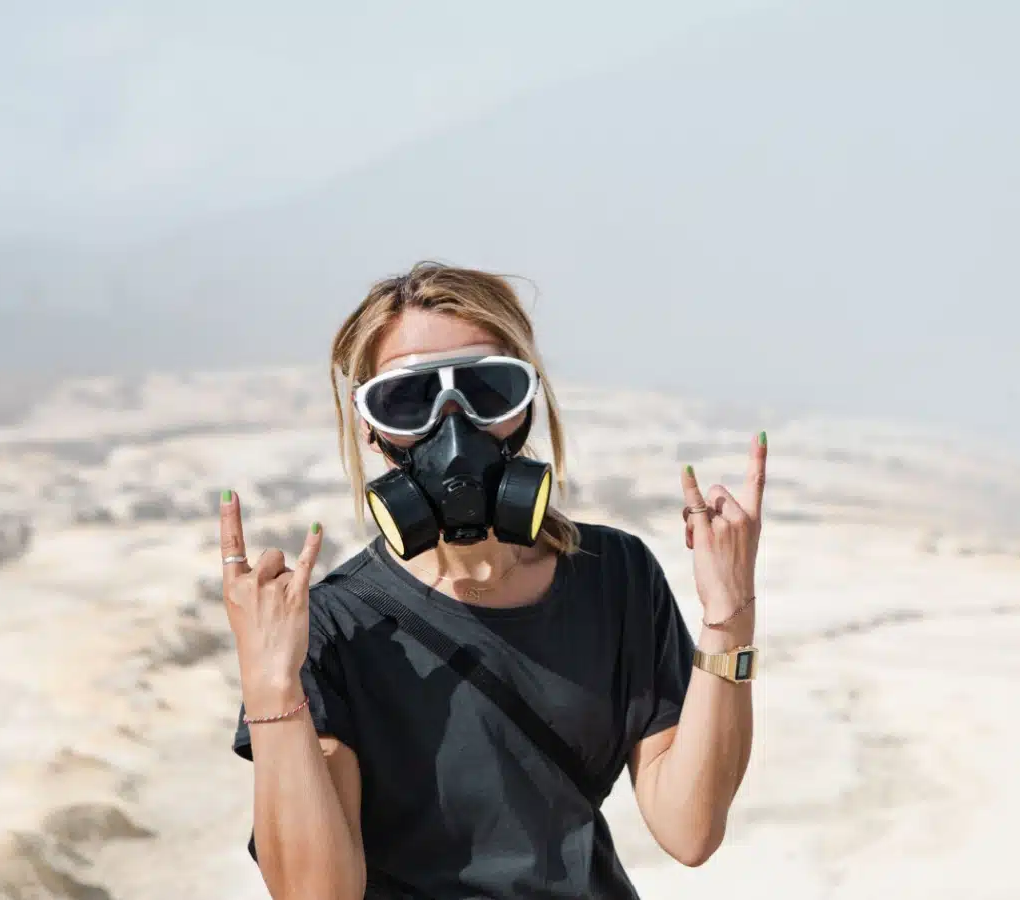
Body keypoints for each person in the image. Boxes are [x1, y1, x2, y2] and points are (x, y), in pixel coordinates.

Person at [216, 262, 766, 899]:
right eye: (407, 401)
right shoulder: (331, 629)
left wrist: (730, 615)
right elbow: (318, 894)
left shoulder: (616, 574)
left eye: (487, 389)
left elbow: (690, 829)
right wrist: (270, 685)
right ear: (370, 428)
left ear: (527, 400)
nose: (455, 428)